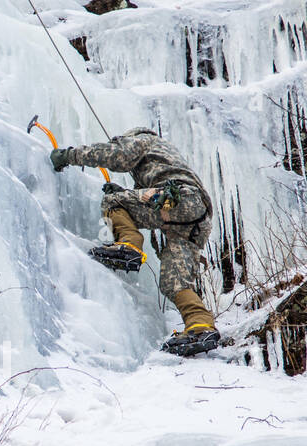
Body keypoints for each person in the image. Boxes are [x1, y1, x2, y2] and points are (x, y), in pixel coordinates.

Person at [51, 128, 221, 356]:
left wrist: (69, 156)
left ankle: (129, 245)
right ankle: (200, 325)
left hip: (177, 198)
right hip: (196, 220)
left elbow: (115, 156)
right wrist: (127, 192)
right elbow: (149, 196)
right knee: (175, 282)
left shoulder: (143, 140)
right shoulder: (164, 154)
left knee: (112, 201)